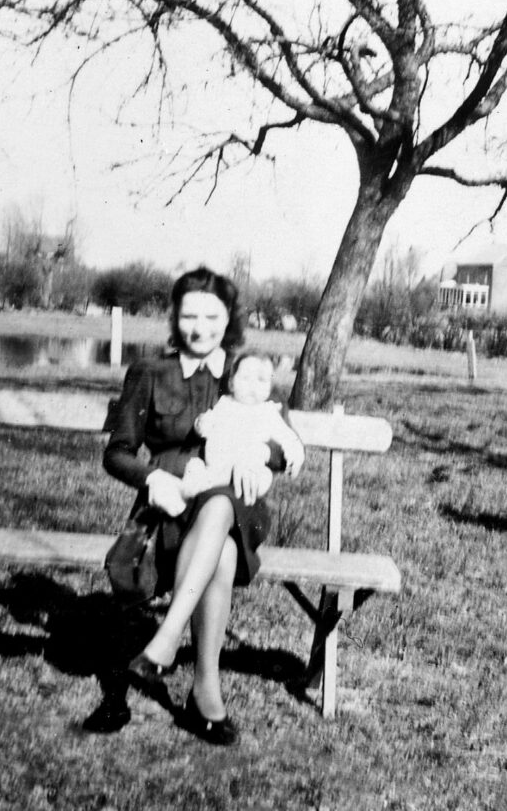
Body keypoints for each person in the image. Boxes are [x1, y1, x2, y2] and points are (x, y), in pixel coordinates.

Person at [82, 267, 303, 744]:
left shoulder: (246, 372)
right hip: (170, 506)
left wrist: (256, 454)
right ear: (174, 317)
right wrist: (153, 476)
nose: (199, 327)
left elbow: (283, 446)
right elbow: (116, 453)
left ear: (230, 319)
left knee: (222, 507)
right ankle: (205, 694)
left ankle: (167, 637)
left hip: (240, 505)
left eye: (211, 316)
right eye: (188, 316)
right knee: (219, 551)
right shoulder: (150, 373)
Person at [180, 351, 304, 502]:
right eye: (245, 378)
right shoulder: (224, 404)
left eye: (261, 380)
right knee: (196, 467)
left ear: (270, 388)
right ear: (231, 384)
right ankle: (199, 483)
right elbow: (208, 421)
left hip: (248, 471)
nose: (253, 386)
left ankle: (207, 487)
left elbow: (287, 436)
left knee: (264, 478)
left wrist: (295, 453)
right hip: (216, 464)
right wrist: (201, 425)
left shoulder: (268, 412)